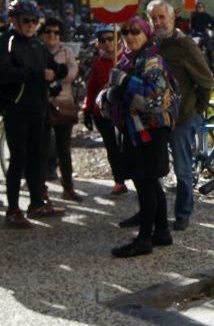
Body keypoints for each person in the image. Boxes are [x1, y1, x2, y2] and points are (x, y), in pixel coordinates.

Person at [98, 17, 176, 257]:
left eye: (135, 32)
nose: (130, 37)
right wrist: (108, 96)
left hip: (150, 132)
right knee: (150, 182)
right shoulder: (126, 60)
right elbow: (106, 97)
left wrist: (124, 85)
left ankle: (144, 239)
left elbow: (154, 100)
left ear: (146, 34)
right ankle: (161, 231)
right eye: (126, 32)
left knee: (145, 183)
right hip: (134, 131)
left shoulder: (152, 61)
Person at [145, 0, 214, 231]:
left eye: (162, 17)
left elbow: (206, 80)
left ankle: (183, 213)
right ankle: (152, 212)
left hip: (182, 119)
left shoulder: (184, 45)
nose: (158, 22)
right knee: (153, 166)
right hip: (156, 117)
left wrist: (197, 110)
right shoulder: (151, 44)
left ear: (172, 18)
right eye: (153, 18)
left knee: (183, 169)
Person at [0, 0, 67, 228]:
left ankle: (37, 202)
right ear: (13, 20)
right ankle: (13, 209)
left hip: (37, 108)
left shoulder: (38, 44)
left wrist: (59, 71)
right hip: (16, 109)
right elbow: (5, 73)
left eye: (34, 21)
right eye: (26, 20)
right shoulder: (6, 42)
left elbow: (52, 68)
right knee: (17, 158)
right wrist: (37, 74)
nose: (30, 25)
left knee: (37, 156)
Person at [39, 16, 81, 202]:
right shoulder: (36, 50)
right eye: (48, 31)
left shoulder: (66, 51)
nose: (52, 35)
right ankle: (41, 188)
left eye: (56, 32)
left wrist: (56, 74)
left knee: (64, 147)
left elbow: (73, 72)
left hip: (63, 103)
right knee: (41, 147)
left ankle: (68, 186)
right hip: (41, 103)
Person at [83, 24, 128, 197]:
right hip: (102, 112)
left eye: (110, 38)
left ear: (117, 39)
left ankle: (133, 176)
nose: (107, 43)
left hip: (123, 110)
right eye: (103, 40)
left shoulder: (126, 59)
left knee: (126, 145)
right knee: (112, 147)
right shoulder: (98, 62)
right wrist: (87, 109)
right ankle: (119, 181)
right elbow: (92, 87)